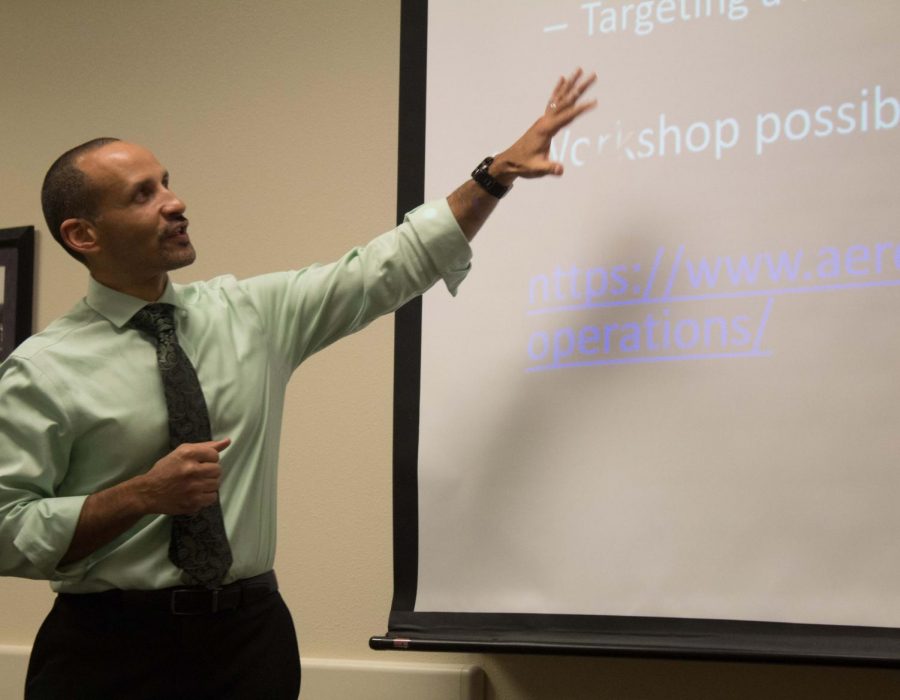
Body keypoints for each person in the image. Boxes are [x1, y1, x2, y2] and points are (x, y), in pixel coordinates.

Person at [0, 69, 596, 699]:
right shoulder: (42, 369)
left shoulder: (250, 315)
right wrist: (141, 495)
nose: (174, 202)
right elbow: (5, 527)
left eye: (167, 183)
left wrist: (493, 175)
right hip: (108, 651)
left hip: (249, 645)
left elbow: (385, 267)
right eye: (142, 195)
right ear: (82, 235)